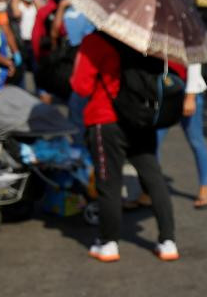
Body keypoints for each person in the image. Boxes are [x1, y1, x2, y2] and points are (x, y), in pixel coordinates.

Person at [70, 31, 181, 262]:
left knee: (108, 182)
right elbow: (174, 74)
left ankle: (109, 242)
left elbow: (81, 86)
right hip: (142, 118)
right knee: (153, 177)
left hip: (105, 119)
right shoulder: (148, 39)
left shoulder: (95, 41)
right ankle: (167, 241)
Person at [156, 63, 207, 208]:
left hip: (186, 91)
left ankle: (205, 187)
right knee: (153, 142)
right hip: (164, 93)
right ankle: (150, 190)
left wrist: (191, 97)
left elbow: (194, 61)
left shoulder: (188, 39)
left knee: (196, 141)